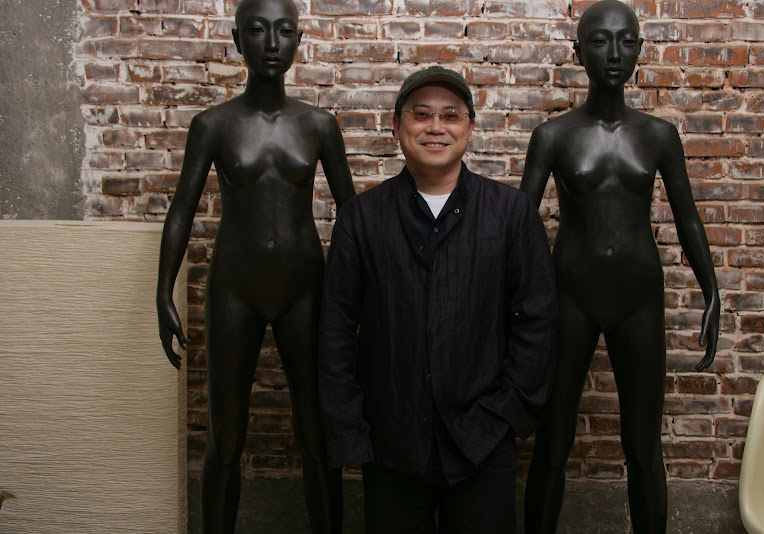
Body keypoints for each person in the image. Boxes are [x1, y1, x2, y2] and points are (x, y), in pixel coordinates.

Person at [318, 66, 557, 533]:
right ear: (396, 126)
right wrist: (349, 429)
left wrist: (505, 415)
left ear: (470, 127)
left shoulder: (510, 214)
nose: (435, 127)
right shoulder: (361, 218)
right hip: (391, 444)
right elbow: (336, 330)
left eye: (450, 115)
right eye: (421, 114)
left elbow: (538, 321)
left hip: (482, 442)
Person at [520, 1, 721, 533]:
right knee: (553, 442)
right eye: (600, 41)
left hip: (638, 298)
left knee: (643, 447)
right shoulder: (554, 136)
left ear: (640, 50)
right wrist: (511, 303)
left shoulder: (658, 135)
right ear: (578, 51)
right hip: (570, 297)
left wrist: (712, 291)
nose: (614, 53)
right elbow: (519, 225)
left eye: (626, 41)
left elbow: (688, 218)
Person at [155, 0, 355, 531]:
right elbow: (181, 211)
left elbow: (353, 217)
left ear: (298, 40)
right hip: (234, 290)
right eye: (257, 31)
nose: (271, 43)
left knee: (317, 436)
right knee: (225, 440)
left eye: (284, 31)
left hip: (304, 288)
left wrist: (359, 296)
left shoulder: (319, 125)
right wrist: (162, 291)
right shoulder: (213, 125)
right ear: (236, 39)